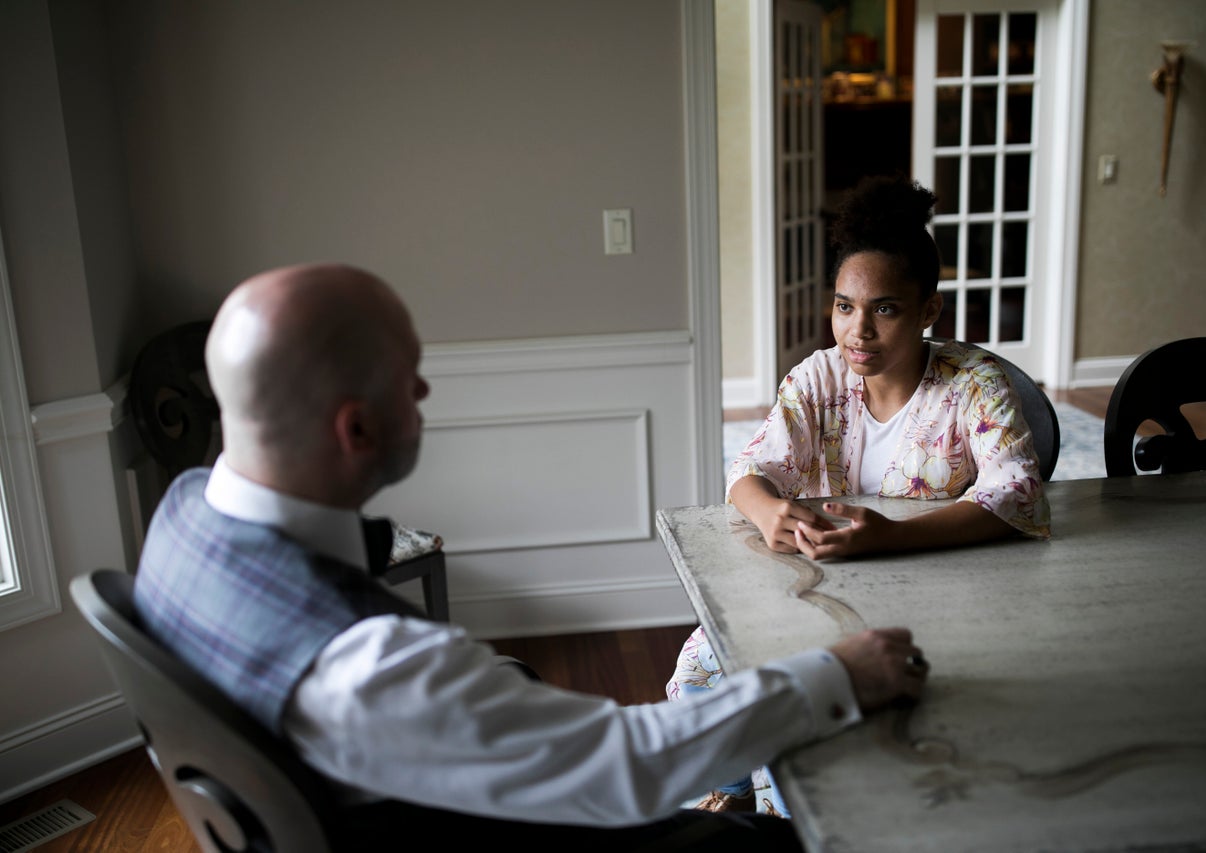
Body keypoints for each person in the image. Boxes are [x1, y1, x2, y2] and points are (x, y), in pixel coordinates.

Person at [132, 261, 930, 850]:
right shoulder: (373, 667)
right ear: (356, 429)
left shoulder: (177, 519)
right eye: (409, 379)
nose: (423, 394)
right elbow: (631, 766)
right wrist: (839, 673)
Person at [669, 173, 1050, 816]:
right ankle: (726, 794)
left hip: (936, 593)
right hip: (821, 584)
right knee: (708, 659)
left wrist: (894, 535)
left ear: (928, 310)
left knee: (816, 742)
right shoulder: (817, 376)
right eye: (845, 306)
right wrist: (768, 513)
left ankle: (804, 817)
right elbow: (749, 468)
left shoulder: (972, 384)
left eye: (885, 308)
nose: (858, 332)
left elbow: (1018, 494)